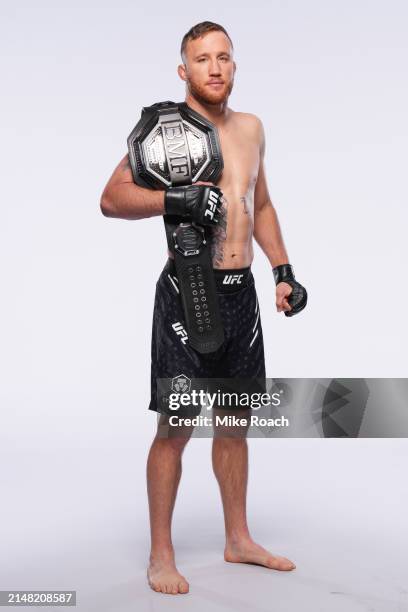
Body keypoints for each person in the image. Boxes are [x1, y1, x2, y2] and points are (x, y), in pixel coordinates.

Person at [100, 21, 307, 595]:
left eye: (224, 57)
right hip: (188, 293)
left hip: (242, 294)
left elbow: (259, 201)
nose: (214, 68)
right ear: (183, 71)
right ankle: (160, 553)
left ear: (234, 65)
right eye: (201, 59)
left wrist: (283, 269)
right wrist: (176, 196)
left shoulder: (251, 129)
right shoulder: (165, 131)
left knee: (236, 423)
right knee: (176, 426)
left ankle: (238, 538)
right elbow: (111, 198)